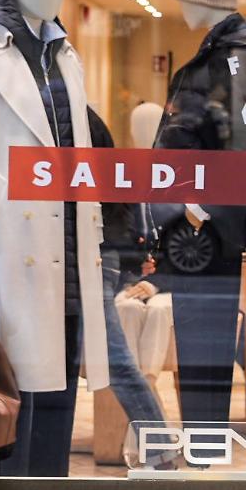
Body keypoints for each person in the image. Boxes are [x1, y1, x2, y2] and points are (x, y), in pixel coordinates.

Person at [86, 107, 177, 469]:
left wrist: (147, 275)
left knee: (118, 357)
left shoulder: (84, 124)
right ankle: (158, 447)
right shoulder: (91, 128)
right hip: (107, 263)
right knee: (117, 354)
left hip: (98, 258)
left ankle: (158, 446)